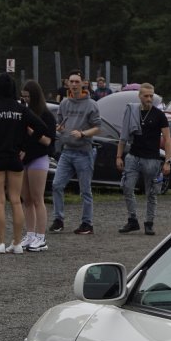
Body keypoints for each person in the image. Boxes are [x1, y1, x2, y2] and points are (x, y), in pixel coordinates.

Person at [0, 73, 41, 254]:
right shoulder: (21, 109)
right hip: (15, 158)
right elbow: (42, 128)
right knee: (16, 200)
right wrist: (25, 145)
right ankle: (17, 243)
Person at [115, 82, 171, 236]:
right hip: (133, 156)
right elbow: (123, 136)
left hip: (152, 159)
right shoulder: (132, 111)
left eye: (151, 96)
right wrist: (119, 156)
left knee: (151, 193)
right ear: (140, 96)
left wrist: (167, 161)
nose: (149, 99)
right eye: (146, 96)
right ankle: (132, 220)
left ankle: (149, 222)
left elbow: (167, 139)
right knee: (127, 187)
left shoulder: (159, 115)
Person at [49, 72, 100, 235]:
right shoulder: (64, 103)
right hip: (67, 151)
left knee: (85, 189)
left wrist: (83, 133)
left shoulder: (91, 104)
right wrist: (60, 128)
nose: (74, 84)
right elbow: (60, 122)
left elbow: (98, 127)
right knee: (57, 185)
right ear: (67, 84)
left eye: (77, 82)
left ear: (83, 84)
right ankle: (58, 220)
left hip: (84, 152)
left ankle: (87, 223)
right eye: (71, 82)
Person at [17, 80, 56, 252]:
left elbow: (48, 141)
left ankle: (41, 236)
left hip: (39, 158)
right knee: (26, 199)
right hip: (24, 159)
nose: (25, 99)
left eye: (27, 96)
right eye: (23, 96)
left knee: (38, 198)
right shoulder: (23, 112)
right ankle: (30, 233)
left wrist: (33, 132)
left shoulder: (46, 115)